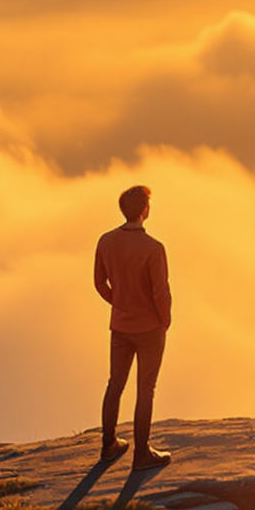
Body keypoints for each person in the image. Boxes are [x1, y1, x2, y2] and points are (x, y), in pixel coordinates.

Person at [94, 183, 173, 470]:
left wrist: (120, 303)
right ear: (144, 210)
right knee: (145, 389)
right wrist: (164, 319)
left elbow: (99, 283)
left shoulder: (106, 241)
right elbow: (160, 291)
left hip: (120, 326)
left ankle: (108, 446)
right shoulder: (154, 249)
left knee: (115, 384)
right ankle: (142, 454)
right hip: (150, 328)